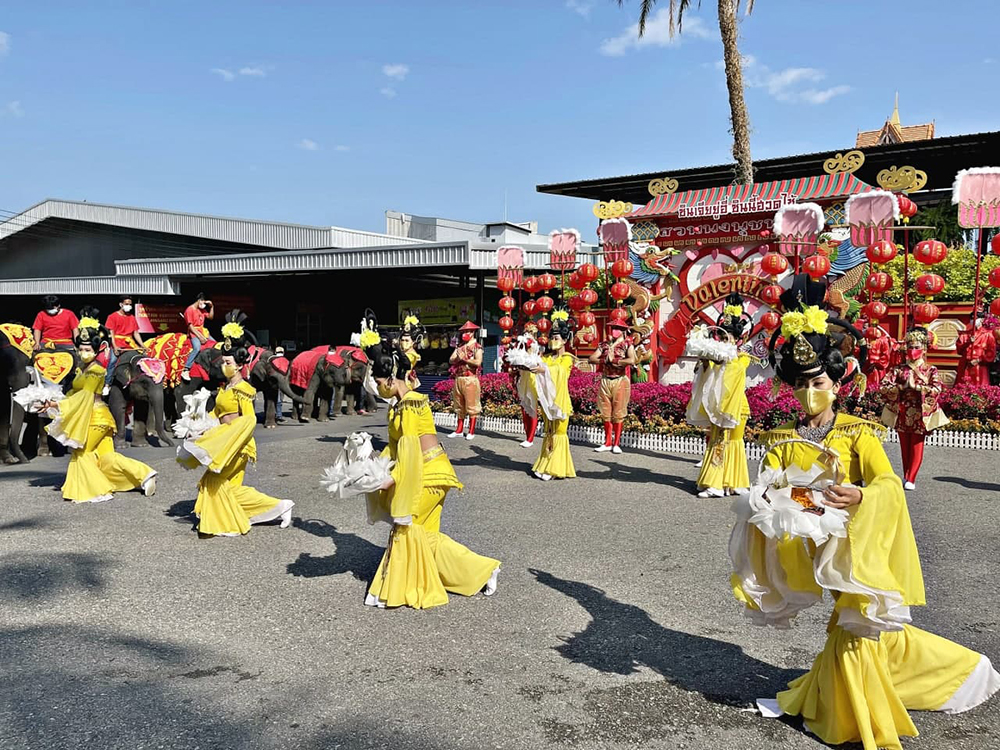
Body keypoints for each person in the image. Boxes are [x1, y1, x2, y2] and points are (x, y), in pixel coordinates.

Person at [730, 283, 999, 750]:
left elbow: (888, 485)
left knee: (856, 628)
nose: (809, 392)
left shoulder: (859, 435)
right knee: (864, 628)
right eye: (800, 383)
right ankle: (960, 670)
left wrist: (860, 496)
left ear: (836, 383)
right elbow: (767, 486)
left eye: (817, 383)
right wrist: (765, 498)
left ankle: (855, 715)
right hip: (811, 542)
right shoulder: (781, 437)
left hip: (856, 545)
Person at [361, 324, 500, 609]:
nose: (375, 388)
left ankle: (392, 588)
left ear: (390, 378)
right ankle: (484, 570)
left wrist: (390, 480)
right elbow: (396, 448)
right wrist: (375, 464)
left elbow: (411, 452)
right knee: (428, 537)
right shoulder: (396, 406)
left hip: (431, 474)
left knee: (405, 525)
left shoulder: (411, 402)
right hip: (421, 471)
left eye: (377, 382)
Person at [177, 312, 293, 537]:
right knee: (230, 488)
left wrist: (228, 440)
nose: (223, 366)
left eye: (228, 363)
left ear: (240, 365)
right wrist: (198, 424)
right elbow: (215, 413)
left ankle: (223, 522)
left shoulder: (245, 390)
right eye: (222, 362)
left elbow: (248, 420)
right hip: (222, 440)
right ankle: (280, 506)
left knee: (214, 480)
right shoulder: (224, 389)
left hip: (236, 445)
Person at [45, 321, 156, 503]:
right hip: (94, 417)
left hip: (96, 418)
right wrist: (54, 401)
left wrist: (58, 406)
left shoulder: (96, 371)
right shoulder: (82, 369)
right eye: (81, 349)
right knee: (107, 457)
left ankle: (95, 490)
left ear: (97, 351)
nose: (84, 353)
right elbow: (75, 393)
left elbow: (86, 396)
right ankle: (145, 475)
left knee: (82, 452)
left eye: (88, 350)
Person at [688, 294, 753, 498]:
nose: (725, 341)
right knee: (718, 442)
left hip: (736, 407)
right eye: (723, 338)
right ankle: (713, 482)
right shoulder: (718, 357)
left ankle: (733, 482)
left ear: (738, 339)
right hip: (719, 406)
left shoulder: (742, 357)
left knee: (735, 443)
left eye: (728, 338)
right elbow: (708, 377)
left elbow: (734, 374)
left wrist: (722, 361)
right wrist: (707, 362)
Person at [881, 328, 949, 491]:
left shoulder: (930, 370)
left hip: (920, 412)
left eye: (916, 347)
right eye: (910, 347)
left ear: (924, 349)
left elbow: (937, 389)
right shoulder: (898, 369)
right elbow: (884, 386)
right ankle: (906, 475)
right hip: (903, 411)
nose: (912, 351)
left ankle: (912, 477)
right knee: (904, 446)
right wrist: (899, 387)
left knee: (917, 445)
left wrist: (918, 388)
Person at [529, 310, 576, 481]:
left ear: (564, 340)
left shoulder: (567, 359)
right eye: (552, 338)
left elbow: (560, 372)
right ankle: (545, 465)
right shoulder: (547, 358)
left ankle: (556, 468)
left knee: (559, 433)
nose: (553, 341)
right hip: (548, 402)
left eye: (556, 338)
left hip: (561, 401)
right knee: (548, 432)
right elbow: (539, 367)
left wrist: (544, 369)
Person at [589, 319, 636, 455]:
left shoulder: (627, 344)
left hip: (620, 380)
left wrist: (615, 361)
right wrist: (604, 360)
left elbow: (632, 360)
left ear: (623, 330)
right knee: (606, 412)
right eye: (614, 327)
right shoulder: (604, 344)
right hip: (605, 379)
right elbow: (591, 358)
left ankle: (617, 443)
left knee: (618, 412)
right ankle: (607, 442)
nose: (615, 330)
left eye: (618, 328)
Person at [447, 321, 483, 441]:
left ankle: (471, 431)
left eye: (467, 331)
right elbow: (451, 359)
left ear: (472, 333)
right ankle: (459, 429)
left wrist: (464, 359)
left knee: (472, 406)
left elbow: (478, 362)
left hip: (470, 378)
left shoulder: (477, 347)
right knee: (459, 405)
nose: (465, 334)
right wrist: (458, 357)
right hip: (459, 378)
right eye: (463, 332)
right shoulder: (460, 346)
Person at [103, 295, 145, 394]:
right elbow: (111, 334)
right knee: (112, 361)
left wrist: (143, 345)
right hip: (118, 343)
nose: (128, 306)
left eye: (130, 304)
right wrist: (115, 347)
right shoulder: (112, 317)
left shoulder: (132, 317)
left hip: (130, 345)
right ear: (121, 304)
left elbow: (135, 333)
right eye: (126, 304)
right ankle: (107, 384)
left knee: (141, 359)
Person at [955, 314, 998, 387]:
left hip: (980, 366)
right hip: (965, 365)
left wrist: (979, 360)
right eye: (972, 318)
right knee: (963, 387)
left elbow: (991, 353)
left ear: (981, 320)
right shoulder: (965, 335)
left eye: (976, 318)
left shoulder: (988, 335)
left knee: (980, 388)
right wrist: (968, 342)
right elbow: (959, 350)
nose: (974, 320)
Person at [181, 293, 214, 381]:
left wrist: (211, 307)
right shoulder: (190, 310)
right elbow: (190, 327)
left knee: (215, 343)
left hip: (203, 331)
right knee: (197, 348)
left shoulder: (201, 310)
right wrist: (200, 337)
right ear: (199, 300)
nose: (204, 304)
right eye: (203, 302)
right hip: (194, 332)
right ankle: (186, 369)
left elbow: (210, 317)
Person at [273, 345, 287, 422]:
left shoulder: (272, 360)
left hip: (273, 381)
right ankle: (279, 415)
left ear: (275, 352)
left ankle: (275, 414)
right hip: (283, 382)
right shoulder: (286, 360)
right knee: (280, 399)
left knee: (274, 399)